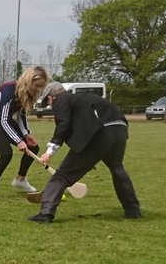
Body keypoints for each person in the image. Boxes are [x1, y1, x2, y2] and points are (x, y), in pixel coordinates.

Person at [28, 81, 141, 223]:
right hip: (120, 131)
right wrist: (91, 158)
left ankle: (46, 213)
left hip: (99, 134)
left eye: (48, 101)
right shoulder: (84, 98)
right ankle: (132, 210)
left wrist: (50, 151)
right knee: (117, 168)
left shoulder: (61, 99)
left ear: (52, 96)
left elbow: (64, 124)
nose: (50, 105)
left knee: (61, 176)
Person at [0, 66, 49, 200]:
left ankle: (20, 179)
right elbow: (3, 120)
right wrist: (18, 141)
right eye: (37, 85)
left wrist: (26, 135)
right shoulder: (9, 90)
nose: (39, 89)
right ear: (30, 81)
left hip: (3, 122)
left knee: (33, 147)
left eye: (42, 86)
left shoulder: (27, 94)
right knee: (6, 153)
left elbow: (21, 116)